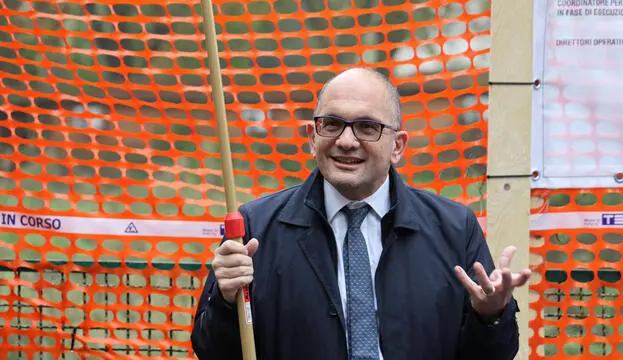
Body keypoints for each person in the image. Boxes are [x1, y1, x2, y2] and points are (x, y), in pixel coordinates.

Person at [191, 67, 531, 360]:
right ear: (313, 137)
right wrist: (225, 300)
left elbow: (492, 355)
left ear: (397, 146)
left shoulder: (455, 228)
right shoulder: (255, 229)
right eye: (332, 124)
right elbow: (212, 350)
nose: (347, 141)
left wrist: (491, 317)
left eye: (367, 127)